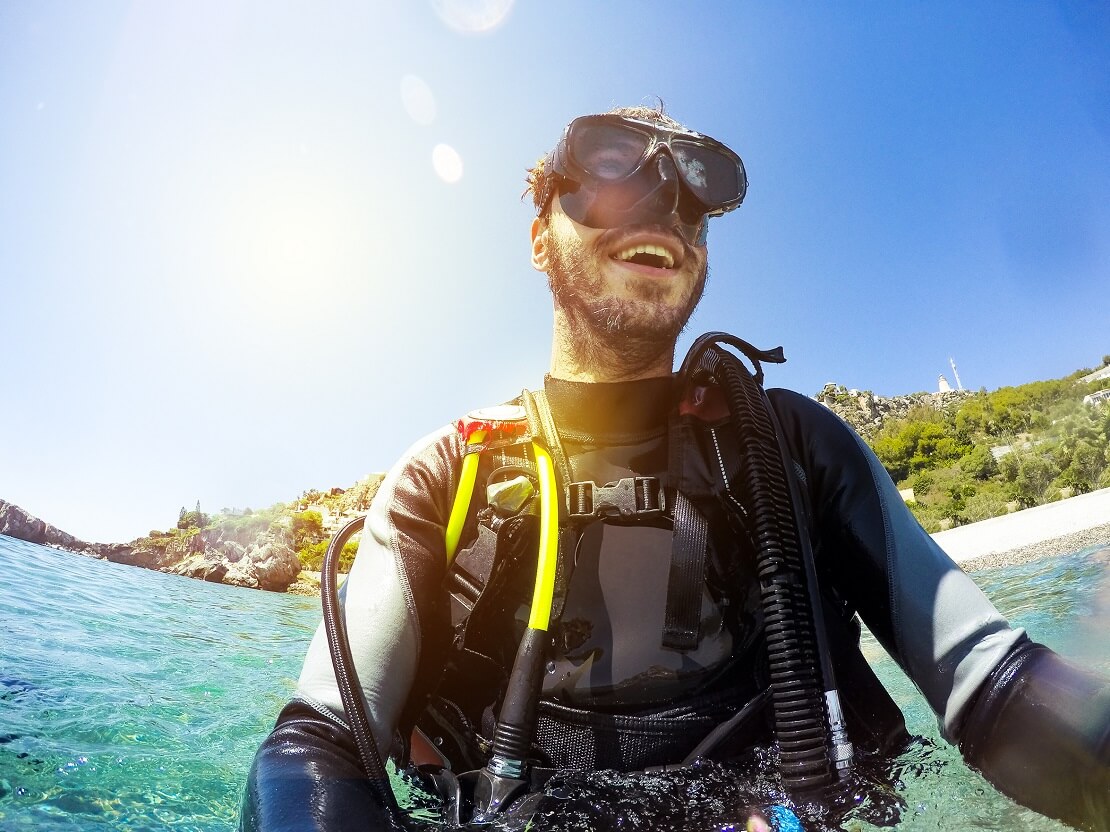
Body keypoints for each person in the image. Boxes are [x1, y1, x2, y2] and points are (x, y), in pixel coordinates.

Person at [241, 105, 1110, 832]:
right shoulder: (444, 478)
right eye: (615, 165)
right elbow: (312, 748)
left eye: (696, 191)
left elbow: (995, 684)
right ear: (540, 235)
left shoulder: (794, 450)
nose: (664, 206)